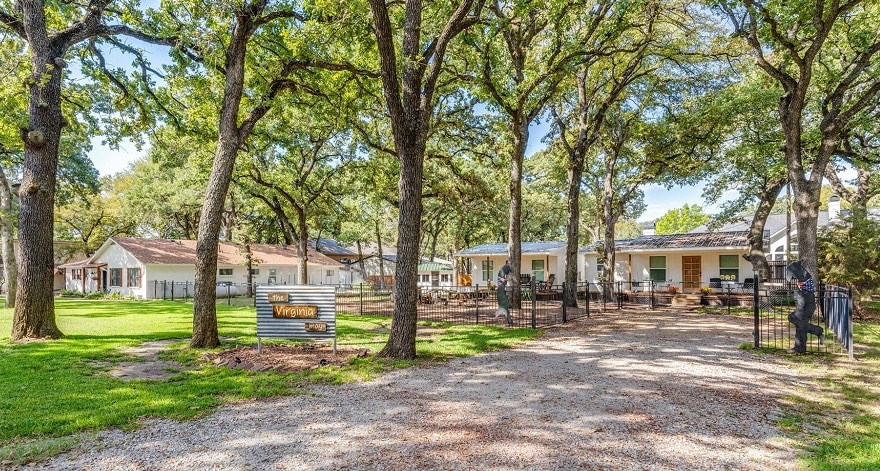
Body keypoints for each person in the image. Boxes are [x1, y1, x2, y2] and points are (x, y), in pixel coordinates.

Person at [495, 261, 513, 326]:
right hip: (501, 292)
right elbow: (503, 280)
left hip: (503, 292)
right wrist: (507, 279)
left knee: (505, 308)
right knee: (504, 307)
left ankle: (509, 321)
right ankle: (508, 321)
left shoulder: (502, 275)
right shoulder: (500, 276)